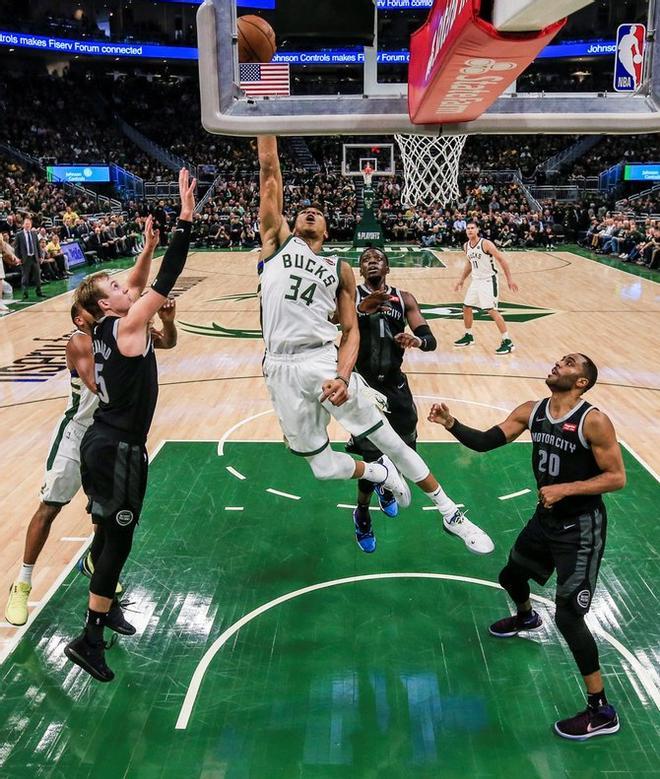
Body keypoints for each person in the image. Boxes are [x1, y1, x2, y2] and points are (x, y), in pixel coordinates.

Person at [257, 136, 493, 555]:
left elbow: (350, 332)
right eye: (303, 211)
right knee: (322, 468)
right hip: (277, 368)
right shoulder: (276, 246)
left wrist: (343, 376)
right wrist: (261, 108)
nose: (310, 211)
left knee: (394, 442)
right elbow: (269, 171)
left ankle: (451, 513)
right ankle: (381, 477)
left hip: (321, 362)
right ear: (290, 225)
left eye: (318, 213)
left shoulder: (339, 269)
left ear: (328, 231)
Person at [428, 353, 626, 739]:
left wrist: (566, 488)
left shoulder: (594, 420)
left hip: (581, 529)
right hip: (546, 519)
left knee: (569, 617)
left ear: (582, 382)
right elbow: (487, 441)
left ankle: (601, 710)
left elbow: (616, 477)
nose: (557, 363)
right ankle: (525, 617)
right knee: (510, 574)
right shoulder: (532, 411)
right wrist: (451, 423)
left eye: (568, 363)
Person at [4, 218, 176, 627]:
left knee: (105, 517)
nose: (122, 296)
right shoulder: (82, 342)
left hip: (107, 433)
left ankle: (97, 574)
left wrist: (149, 248)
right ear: (84, 317)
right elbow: (100, 387)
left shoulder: (114, 328)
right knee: (50, 507)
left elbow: (134, 282)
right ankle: (23, 582)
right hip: (81, 433)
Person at [63, 169, 195, 682]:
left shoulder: (103, 327)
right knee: (118, 538)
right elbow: (163, 279)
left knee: (104, 530)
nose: (126, 287)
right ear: (106, 305)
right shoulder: (128, 325)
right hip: (118, 448)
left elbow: (140, 281)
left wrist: (145, 246)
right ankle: (89, 637)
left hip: (104, 441)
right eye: (117, 287)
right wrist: (184, 217)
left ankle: (107, 602)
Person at [347, 246, 490, 554]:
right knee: (372, 457)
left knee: (406, 448)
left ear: (387, 268)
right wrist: (361, 310)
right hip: (365, 389)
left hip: (396, 388)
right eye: (366, 260)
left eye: (377, 260)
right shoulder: (351, 297)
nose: (372, 263)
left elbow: (431, 339)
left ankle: (389, 486)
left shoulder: (405, 298)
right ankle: (361, 513)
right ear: (360, 270)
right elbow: (337, 325)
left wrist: (417, 340)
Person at [453, 220, 518, 354]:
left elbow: (502, 260)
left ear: (477, 230)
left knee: (491, 310)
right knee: (466, 307)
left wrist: (510, 280)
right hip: (476, 281)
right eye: (468, 228)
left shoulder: (486, 244)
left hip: (489, 280)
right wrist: (461, 280)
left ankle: (508, 341)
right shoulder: (466, 246)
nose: (470, 230)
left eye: (472, 228)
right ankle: (468, 336)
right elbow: (470, 264)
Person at [13, 216, 45, 300]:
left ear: (31, 225)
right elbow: (16, 248)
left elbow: (38, 246)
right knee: (25, 277)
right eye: (26, 224)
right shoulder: (19, 235)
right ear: (23, 225)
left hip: (34, 258)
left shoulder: (34, 234)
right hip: (25, 258)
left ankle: (39, 292)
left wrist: (40, 256)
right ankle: (25, 293)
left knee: (37, 276)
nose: (28, 225)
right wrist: (18, 258)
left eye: (29, 224)